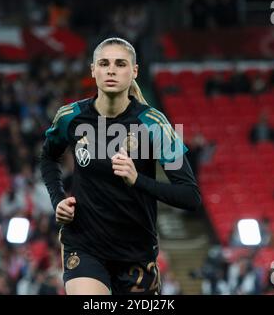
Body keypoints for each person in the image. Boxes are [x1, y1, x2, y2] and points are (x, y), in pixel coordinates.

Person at [40, 37, 202, 295]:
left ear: (134, 71)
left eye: (120, 64)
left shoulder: (154, 124)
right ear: (93, 70)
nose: (111, 70)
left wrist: (138, 179)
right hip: (84, 246)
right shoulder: (70, 116)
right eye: (104, 63)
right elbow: (48, 157)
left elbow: (191, 196)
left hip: (136, 255)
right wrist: (58, 198)